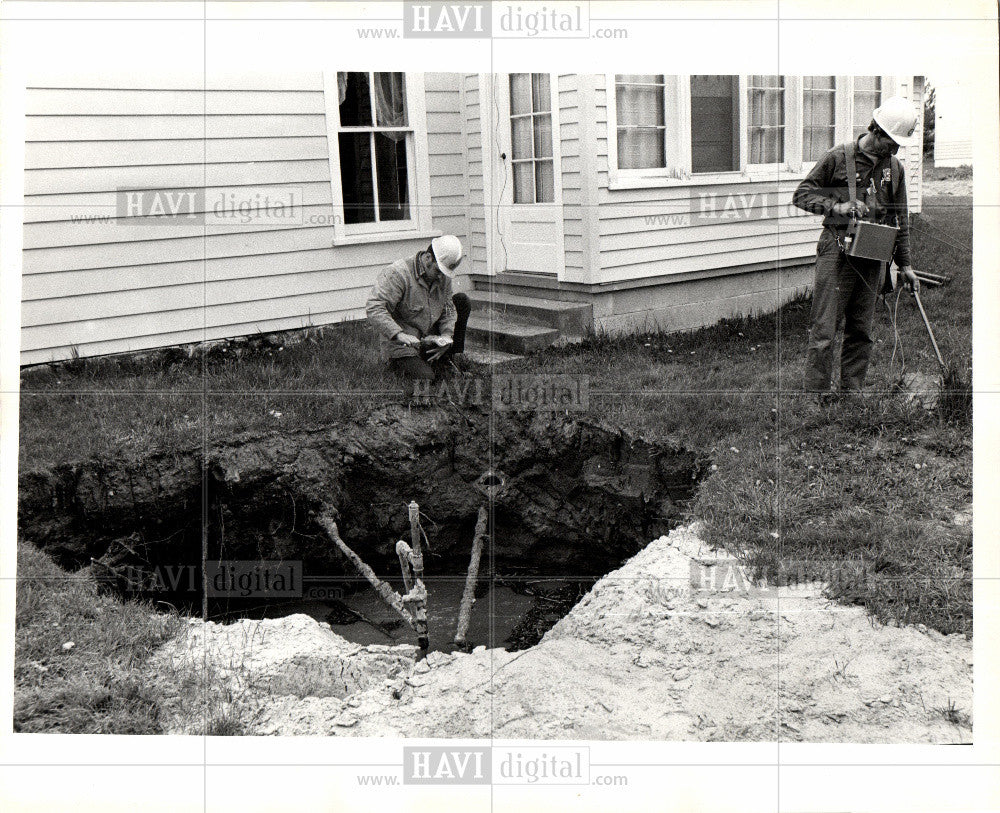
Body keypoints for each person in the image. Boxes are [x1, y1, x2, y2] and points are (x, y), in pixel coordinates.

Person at [792, 95, 921, 398]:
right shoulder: (838, 157)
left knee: (862, 330)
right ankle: (817, 395)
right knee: (825, 329)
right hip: (836, 251)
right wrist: (837, 206)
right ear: (876, 130)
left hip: (873, 253)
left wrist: (905, 266)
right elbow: (802, 195)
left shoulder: (895, 169)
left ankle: (853, 392)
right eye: (891, 142)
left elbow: (899, 219)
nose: (895, 149)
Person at [365, 234, 472, 381]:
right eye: (438, 271)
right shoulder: (398, 273)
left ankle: (447, 357)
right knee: (427, 378)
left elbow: (448, 308)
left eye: (444, 273)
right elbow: (374, 307)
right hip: (402, 343)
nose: (441, 277)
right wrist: (398, 334)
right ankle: (395, 364)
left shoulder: (442, 275)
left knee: (461, 301)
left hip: (428, 338)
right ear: (428, 258)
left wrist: (446, 337)